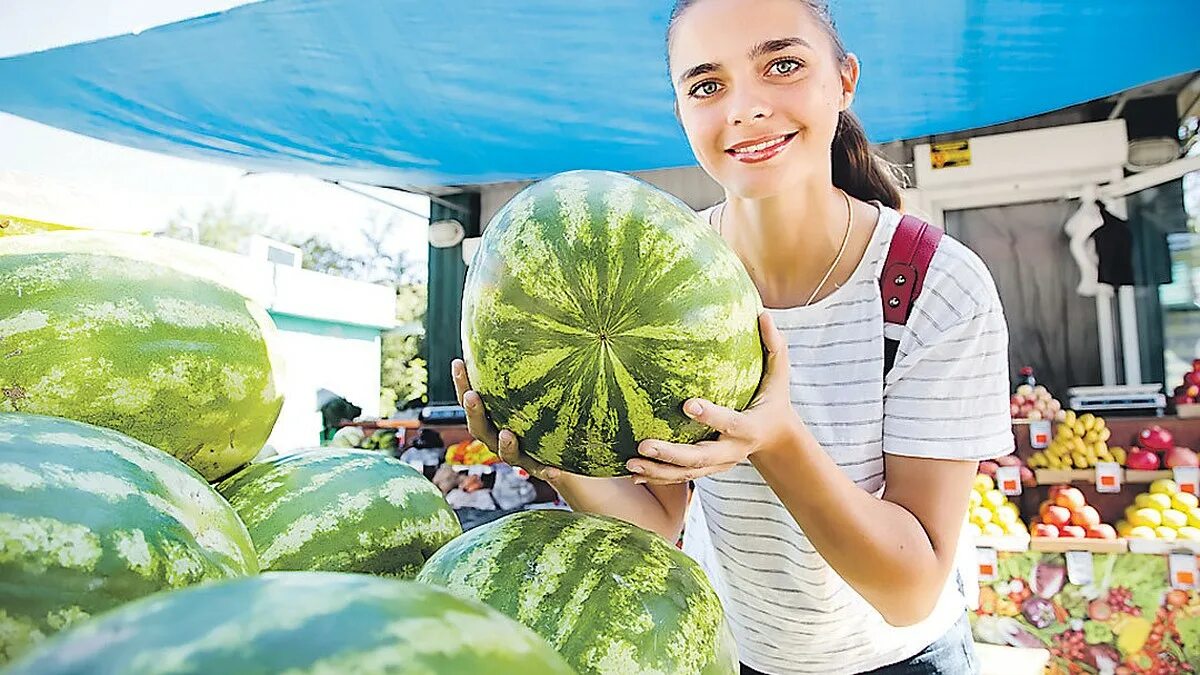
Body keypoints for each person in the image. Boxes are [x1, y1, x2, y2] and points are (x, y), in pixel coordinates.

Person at [452, 0, 1012, 672]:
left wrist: (775, 439)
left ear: (844, 80)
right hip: (733, 655)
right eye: (707, 85)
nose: (744, 108)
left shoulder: (935, 284)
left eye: (782, 64)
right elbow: (659, 521)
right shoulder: (652, 268)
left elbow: (910, 587)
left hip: (905, 659)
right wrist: (555, 459)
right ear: (682, 112)